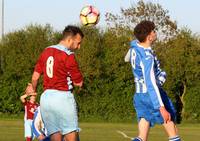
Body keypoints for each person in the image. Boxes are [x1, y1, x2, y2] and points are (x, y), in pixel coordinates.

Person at [125, 21, 181, 141]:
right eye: (154, 31)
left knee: (142, 136)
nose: (156, 33)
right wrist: (161, 107)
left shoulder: (135, 47)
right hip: (151, 95)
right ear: (149, 36)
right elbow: (150, 83)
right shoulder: (147, 57)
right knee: (171, 126)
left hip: (140, 96)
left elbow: (127, 57)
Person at [27, 25, 84, 141]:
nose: (79, 47)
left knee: (55, 136)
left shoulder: (46, 51)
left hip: (46, 99)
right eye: (78, 43)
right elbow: (78, 83)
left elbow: (35, 76)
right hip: (62, 98)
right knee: (71, 135)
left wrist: (33, 89)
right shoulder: (68, 55)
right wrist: (81, 83)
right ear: (69, 40)